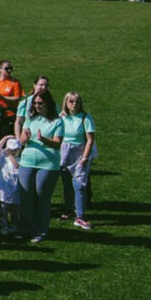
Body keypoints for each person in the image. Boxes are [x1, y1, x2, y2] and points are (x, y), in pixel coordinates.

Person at [17, 91, 63, 243]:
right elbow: (22, 141)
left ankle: (40, 231)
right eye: (35, 103)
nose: (37, 106)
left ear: (48, 104)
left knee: (41, 197)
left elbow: (57, 143)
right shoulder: (31, 119)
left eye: (40, 103)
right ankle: (23, 229)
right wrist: (25, 137)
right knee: (26, 197)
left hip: (48, 165)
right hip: (27, 162)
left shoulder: (57, 121)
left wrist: (43, 139)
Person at [59, 92, 96, 230]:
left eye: (77, 102)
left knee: (79, 185)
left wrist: (85, 157)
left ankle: (80, 216)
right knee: (67, 183)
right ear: (66, 103)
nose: (74, 104)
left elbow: (90, 139)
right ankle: (69, 209)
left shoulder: (85, 118)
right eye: (71, 101)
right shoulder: (62, 118)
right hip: (64, 152)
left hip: (79, 152)